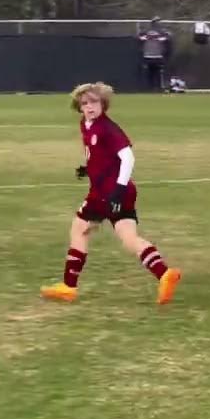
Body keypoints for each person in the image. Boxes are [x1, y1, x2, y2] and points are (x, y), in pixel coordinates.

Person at [41, 82, 181, 304]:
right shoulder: (85, 124)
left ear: (103, 104)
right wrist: (89, 168)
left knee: (79, 228)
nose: (89, 107)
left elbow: (128, 157)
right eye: (84, 103)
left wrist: (118, 189)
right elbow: (102, 155)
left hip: (109, 192)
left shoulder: (107, 128)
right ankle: (164, 274)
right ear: (79, 106)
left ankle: (68, 286)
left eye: (94, 102)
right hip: (116, 191)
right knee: (129, 238)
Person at [138, 17, 172, 92]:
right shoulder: (146, 31)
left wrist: (160, 38)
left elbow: (168, 37)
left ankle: (159, 88)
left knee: (158, 74)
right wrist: (148, 37)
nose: (158, 23)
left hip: (158, 56)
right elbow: (139, 37)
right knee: (149, 74)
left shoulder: (162, 31)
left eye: (158, 22)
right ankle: (149, 89)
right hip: (148, 56)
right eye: (156, 22)